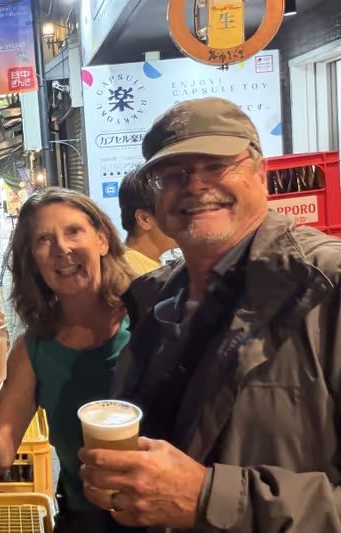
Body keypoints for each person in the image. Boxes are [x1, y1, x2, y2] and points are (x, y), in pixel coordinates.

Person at [80, 97, 341, 532]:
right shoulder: (154, 299)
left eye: (216, 166)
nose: (195, 186)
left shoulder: (325, 287)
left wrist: (208, 498)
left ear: (262, 172)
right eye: (174, 175)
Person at [0, 188, 136, 532]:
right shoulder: (33, 349)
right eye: (44, 240)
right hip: (83, 521)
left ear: (102, 240)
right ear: (32, 259)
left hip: (167, 518)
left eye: (73, 231)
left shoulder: (150, 320)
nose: (62, 249)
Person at [118, 167, 176, 275]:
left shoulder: (128, 262)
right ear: (144, 219)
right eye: (174, 212)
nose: (185, 220)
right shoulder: (134, 276)